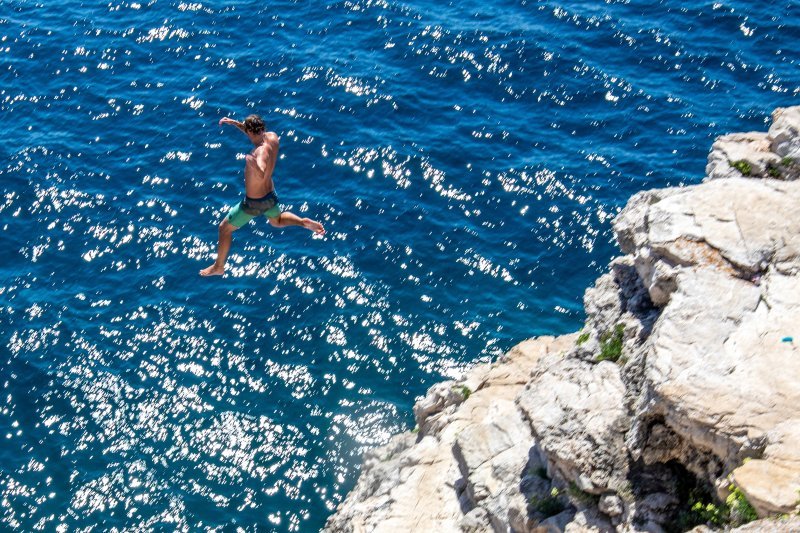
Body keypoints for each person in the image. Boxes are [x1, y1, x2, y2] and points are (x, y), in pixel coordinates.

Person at [200, 114, 325, 277]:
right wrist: (235, 124)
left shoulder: (258, 152)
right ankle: (302, 222)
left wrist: (252, 162)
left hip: (254, 203)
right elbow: (253, 133)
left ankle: (218, 266)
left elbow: (261, 168)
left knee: (224, 229)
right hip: (270, 197)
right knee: (277, 221)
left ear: (251, 133)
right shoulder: (272, 137)